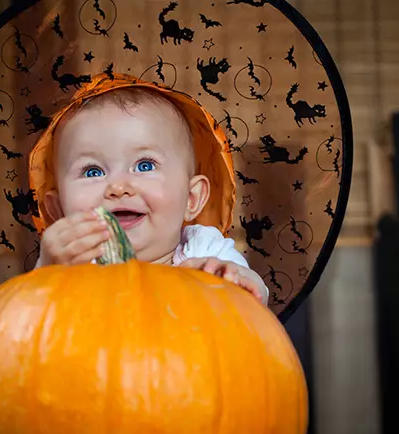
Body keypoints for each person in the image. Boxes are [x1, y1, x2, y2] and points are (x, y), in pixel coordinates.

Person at [30, 73, 268, 304]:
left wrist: (235, 282)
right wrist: (49, 271)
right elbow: (26, 328)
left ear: (191, 198)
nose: (118, 187)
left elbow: (254, 307)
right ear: (59, 210)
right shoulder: (71, 267)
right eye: (93, 171)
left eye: (144, 165)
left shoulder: (204, 250)